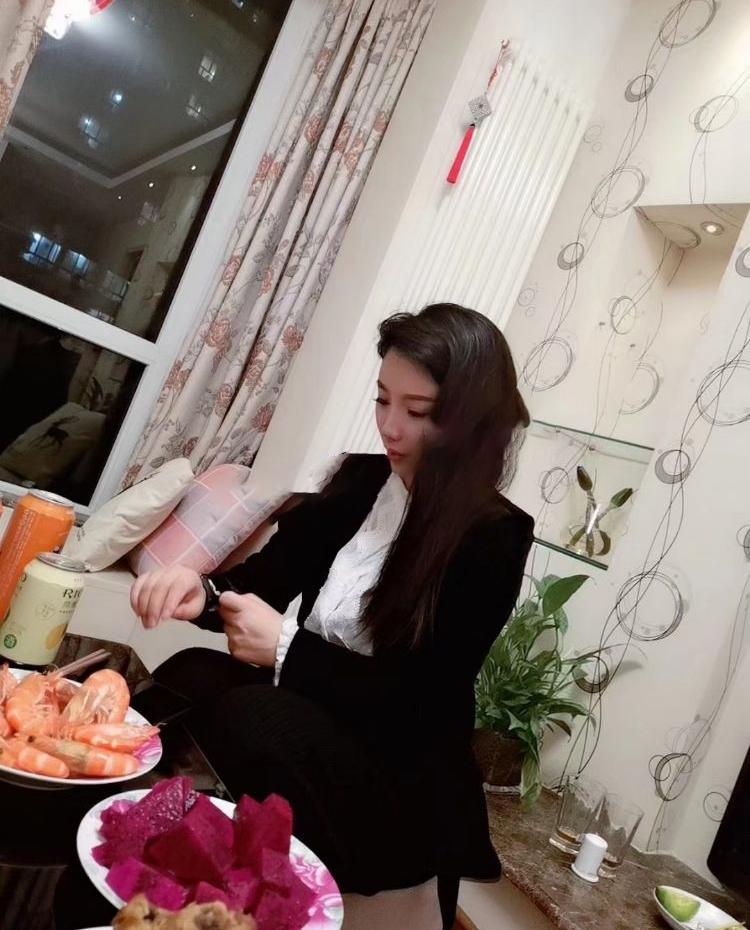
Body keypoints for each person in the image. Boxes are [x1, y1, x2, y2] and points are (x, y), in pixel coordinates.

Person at [130, 303, 534, 930]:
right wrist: (202, 592)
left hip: (393, 766)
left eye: (417, 412)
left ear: (469, 423)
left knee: (253, 715)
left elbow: (420, 701)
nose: (390, 427)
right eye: (382, 400)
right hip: (315, 713)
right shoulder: (362, 480)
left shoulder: (493, 536)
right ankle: (125, 818)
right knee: (190, 673)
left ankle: (251, 878)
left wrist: (286, 648)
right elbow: (265, 580)